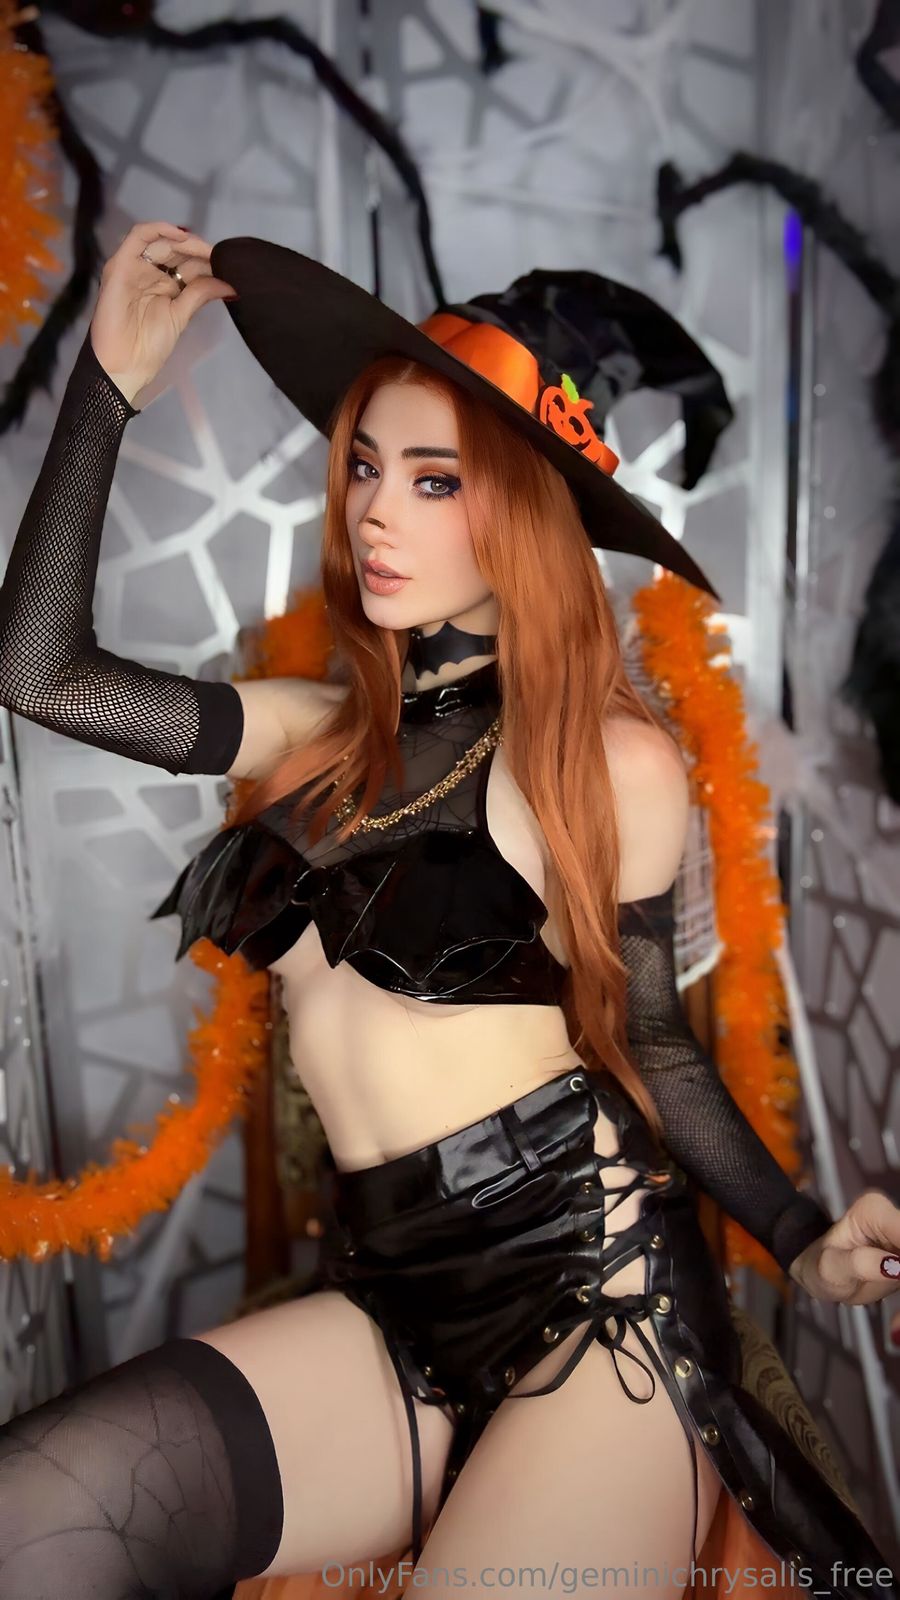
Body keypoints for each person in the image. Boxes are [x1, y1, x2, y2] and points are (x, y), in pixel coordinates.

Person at [0, 220, 898, 1600]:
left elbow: (652, 1041)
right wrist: (107, 384)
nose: (376, 511)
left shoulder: (610, 760)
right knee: (33, 1522)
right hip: (393, 1300)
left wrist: (799, 1238)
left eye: (435, 479)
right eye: (366, 465)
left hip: (593, 1302)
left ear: (524, 508)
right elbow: (40, 674)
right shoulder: (310, 730)